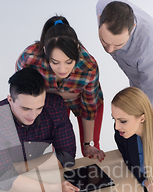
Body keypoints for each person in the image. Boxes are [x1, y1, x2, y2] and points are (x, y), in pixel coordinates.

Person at [0, 67, 85, 192]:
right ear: (10, 100)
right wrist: (54, 188)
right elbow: (5, 179)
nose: (33, 116)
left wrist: (20, 167)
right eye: (26, 108)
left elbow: (67, 156)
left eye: (39, 107)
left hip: (38, 178)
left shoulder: (55, 106)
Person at [16, 16, 105, 161]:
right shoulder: (29, 59)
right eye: (55, 62)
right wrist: (62, 95)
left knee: (91, 149)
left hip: (86, 104)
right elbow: (24, 94)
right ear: (45, 51)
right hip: (49, 104)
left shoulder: (88, 66)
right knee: (60, 151)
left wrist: (88, 144)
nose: (62, 69)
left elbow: (89, 106)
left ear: (77, 50)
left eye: (68, 62)